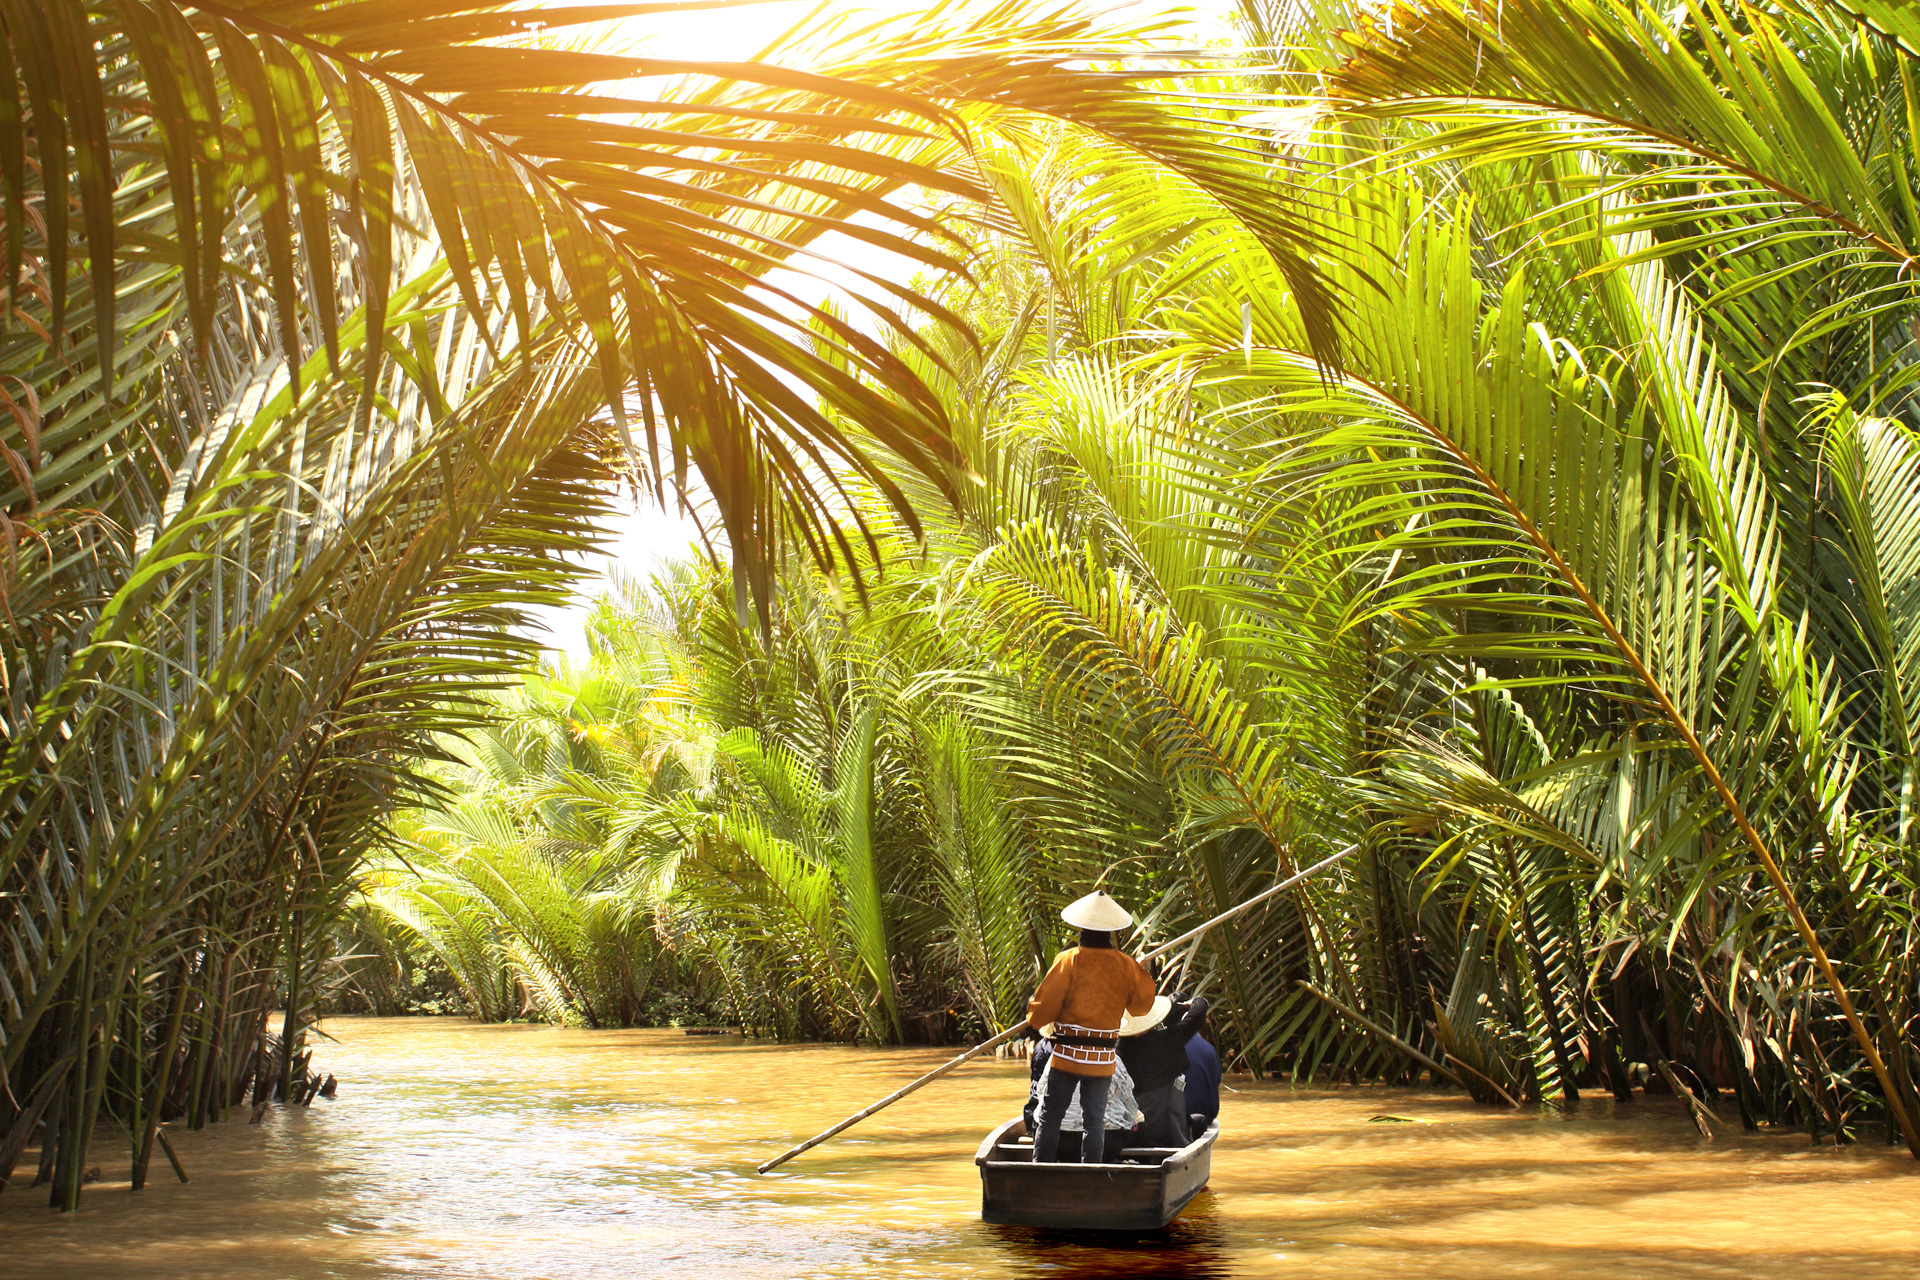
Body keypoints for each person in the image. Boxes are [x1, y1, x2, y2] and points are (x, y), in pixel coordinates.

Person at [1025, 888, 1156, 1164]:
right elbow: (1141, 1006)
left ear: (1081, 928)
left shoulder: (1069, 960)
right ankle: (1091, 1174)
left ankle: (1041, 1170)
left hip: (1067, 1057)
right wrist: (1141, 970)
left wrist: (1033, 1021)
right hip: (1102, 1059)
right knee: (1094, 1121)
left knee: (1050, 1116)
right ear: (1110, 931)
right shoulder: (1125, 965)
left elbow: (1043, 1008)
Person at [1117, 992, 1211, 1147]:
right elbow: (1196, 1016)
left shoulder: (1118, 1049)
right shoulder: (1164, 1041)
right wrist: (1197, 1001)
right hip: (1164, 1131)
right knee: (1199, 1120)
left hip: (1133, 1131)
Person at [1185, 1011, 1222, 1136]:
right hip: (1207, 1115)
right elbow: (1216, 1081)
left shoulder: (1169, 1047)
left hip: (1181, 1117)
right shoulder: (1209, 1048)